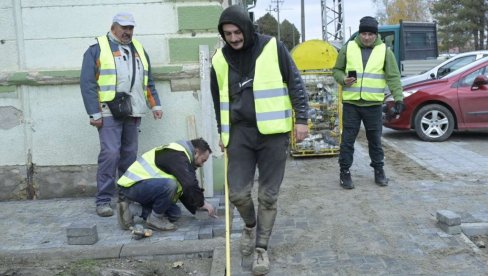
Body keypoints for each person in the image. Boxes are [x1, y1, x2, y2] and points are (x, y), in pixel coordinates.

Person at [210, 5, 309, 275]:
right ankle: (250, 227)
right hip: (239, 133)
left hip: (273, 134)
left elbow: (295, 83)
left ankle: (261, 249)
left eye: (237, 31)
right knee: (239, 194)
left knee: (268, 195)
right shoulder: (219, 59)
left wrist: (302, 119)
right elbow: (218, 100)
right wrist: (222, 131)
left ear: (247, 28)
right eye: (227, 33)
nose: (233, 38)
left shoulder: (273, 47)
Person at [80, 12, 163, 217]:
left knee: (128, 156)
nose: (127, 32)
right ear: (113, 27)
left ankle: (125, 196)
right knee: (110, 154)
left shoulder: (139, 50)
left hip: (133, 110)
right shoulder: (97, 49)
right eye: (124, 27)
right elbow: (88, 84)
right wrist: (94, 113)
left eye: (130, 28)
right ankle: (103, 200)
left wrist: (156, 105)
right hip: (108, 111)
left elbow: (148, 81)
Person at [332, 16, 405, 190]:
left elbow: (393, 77)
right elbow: (336, 70)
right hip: (352, 104)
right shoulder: (348, 48)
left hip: (373, 105)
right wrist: (343, 79)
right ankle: (344, 172)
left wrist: (399, 98)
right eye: (363, 33)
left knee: (375, 140)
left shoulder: (385, 51)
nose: (366, 37)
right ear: (359, 32)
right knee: (347, 141)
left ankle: (379, 171)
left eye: (370, 34)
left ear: (375, 34)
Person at [116, 138, 217, 231]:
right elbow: (189, 184)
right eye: (203, 160)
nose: (202, 164)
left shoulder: (182, 159)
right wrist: (202, 203)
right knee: (170, 185)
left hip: (145, 188)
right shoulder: (177, 154)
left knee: (175, 214)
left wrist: (196, 208)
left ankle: (133, 210)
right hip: (131, 186)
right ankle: (154, 219)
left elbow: (185, 190)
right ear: (196, 152)